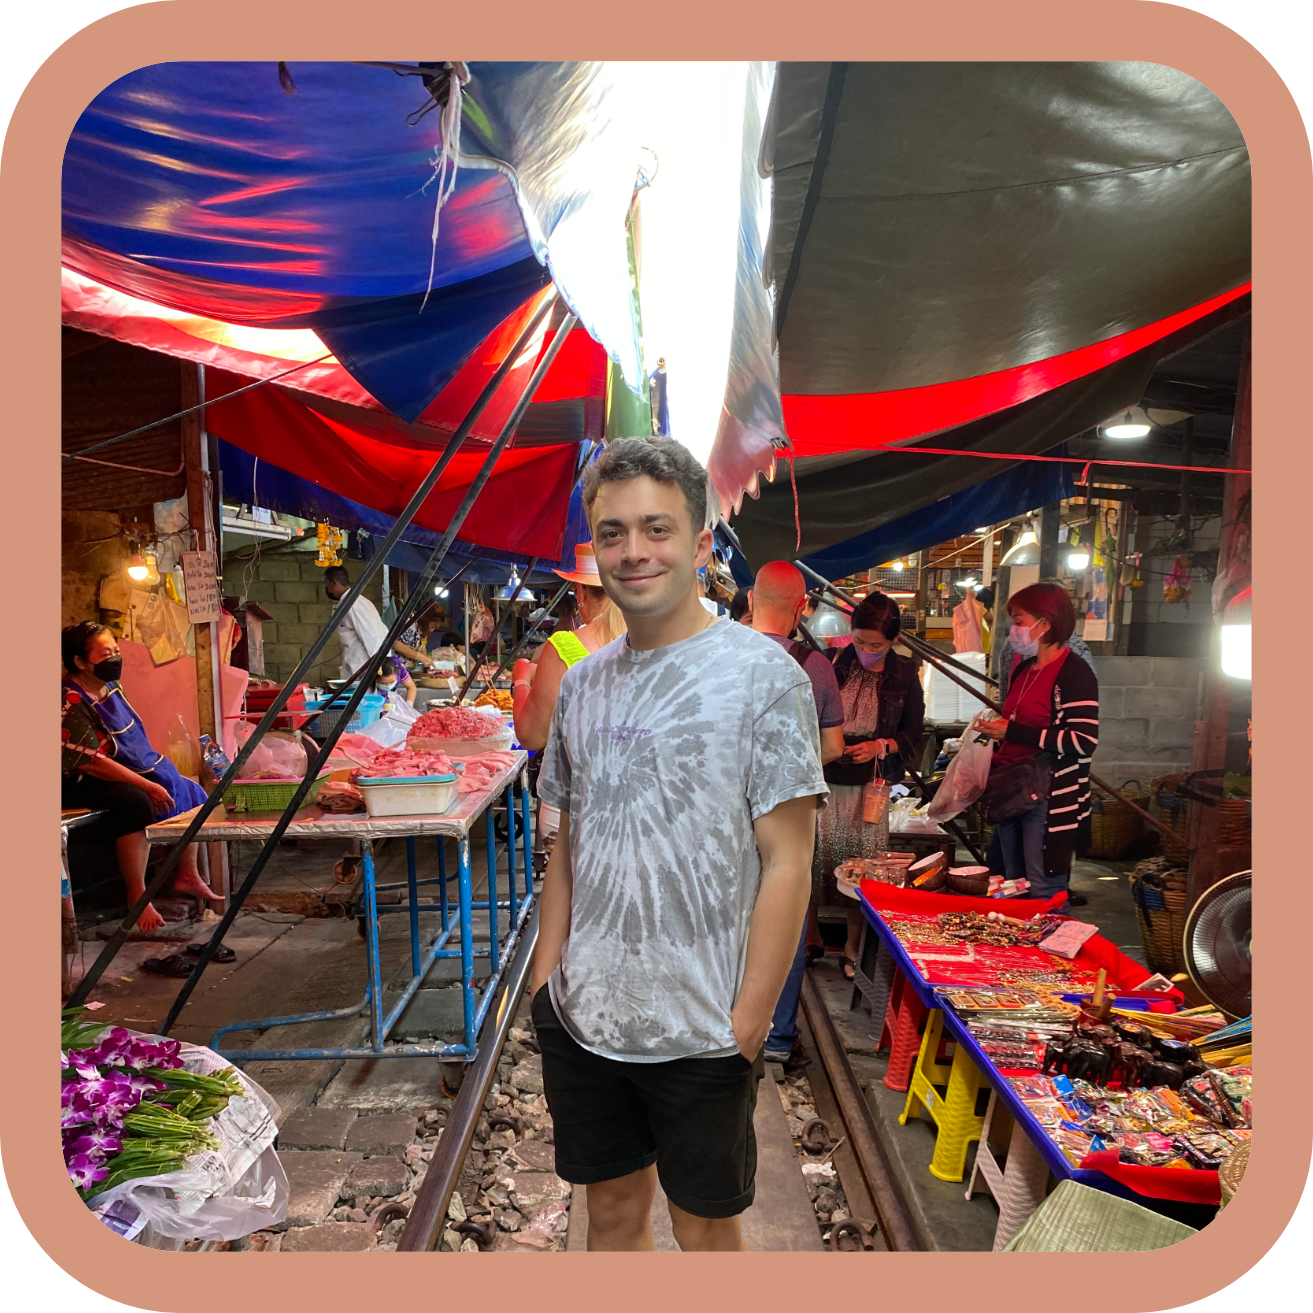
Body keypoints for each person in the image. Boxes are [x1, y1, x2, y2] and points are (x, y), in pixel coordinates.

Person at [532, 437, 826, 1252]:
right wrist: (545, 976)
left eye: (656, 529)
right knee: (611, 1215)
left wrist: (749, 1019)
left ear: (700, 544)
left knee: (704, 1229)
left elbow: (788, 858)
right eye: (613, 531)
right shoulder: (584, 681)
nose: (634, 551)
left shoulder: (764, 677)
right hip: (585, 1016)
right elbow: (571, 834)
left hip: (702, 1024)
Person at [61, 622, 223, 933]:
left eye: (116, 652)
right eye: (104, 654)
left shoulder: (110, 688)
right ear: (80, 662)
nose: (114, 659)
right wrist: (146, 783)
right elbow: (90, 763)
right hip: (74, 779)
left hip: (112, 767)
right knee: (135, 800)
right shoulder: (69, 699)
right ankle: (137, 893)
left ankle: (188, 873)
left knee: (188, 787)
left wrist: (157, 773)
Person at [748, 562, 846, 1064]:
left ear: (750, 599)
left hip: (726, 808)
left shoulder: (722, 652)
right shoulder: (816, 665)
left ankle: (725, 1026)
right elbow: (834, 745)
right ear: (801, 606)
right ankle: (778, 1038)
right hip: (789, 809)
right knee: (783, 911)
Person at [817, 593, 926, 980]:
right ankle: (811, 937)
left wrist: (881, 745)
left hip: (870, 789)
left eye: (875, 645)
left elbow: (913, 731)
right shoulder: (831, 663)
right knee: (815, 863)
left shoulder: (906, 674)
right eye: (859, 642)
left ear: (893, 640)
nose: (864, 650)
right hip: (826, 781)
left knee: (860, 869)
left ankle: (851, 947)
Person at [975, 583, 1099, 904]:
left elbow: (1083, 741)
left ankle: (1058, 951)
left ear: (1044, 623)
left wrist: (1012, 732)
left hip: (1048, 797)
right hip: (1011, 790)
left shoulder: (1074, 672)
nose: (1013, 630)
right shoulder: (1023, 668)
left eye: (1019, 621)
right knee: (1015, 888)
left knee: (1045, 891)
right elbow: (1014, 718)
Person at [511, 542, 627, 755]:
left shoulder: (565, 647)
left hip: (583, 783)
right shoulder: (650, 638)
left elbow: (531, 736)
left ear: (580, 592)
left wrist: (521, 681)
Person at [323, 566, 436, 683]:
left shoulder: (353, 604)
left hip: (364, 670)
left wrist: (380, 668)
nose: (327, 588)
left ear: (334, 583)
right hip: (358, 667)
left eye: (327, 584)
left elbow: (372, 636)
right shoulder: (356, 601)